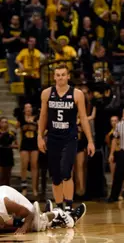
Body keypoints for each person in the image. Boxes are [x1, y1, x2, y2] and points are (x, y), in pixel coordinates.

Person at [37, 64, 93, 225]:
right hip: (53, 138)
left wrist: (90, 140)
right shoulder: (47, 93)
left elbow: (83, 118)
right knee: (55, 176)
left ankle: (68, 207)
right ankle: (59, 208)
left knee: (66, 171)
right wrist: (39, 137)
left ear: (68, 76)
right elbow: (43, 116)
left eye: (63, 74)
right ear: (54, 77)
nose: (60, 77)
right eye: (58, 75)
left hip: (70, 138)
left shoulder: (77, 94)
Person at [17, 103, 39, 197]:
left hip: (34, 144)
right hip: (25, 144)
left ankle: (34, 188)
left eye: (29, 107)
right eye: (26, 107)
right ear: (24, 110)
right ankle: (24, 188)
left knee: (34, 165)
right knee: (24, 165)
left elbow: (41, 128)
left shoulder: (36, 118)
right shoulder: (21, 119)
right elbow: (16, 128)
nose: (28, 109)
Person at [105, 116, 122, 200]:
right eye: (112, 121)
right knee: (113, 175)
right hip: (114, 154)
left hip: (122, 154)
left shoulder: (123, 131)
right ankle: (114, 194)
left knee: (120, 175)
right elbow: (109, 145)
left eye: (115, 120)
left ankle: (120, 194)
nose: (114, 122)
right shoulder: (109, 134)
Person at [0, 117, 17, 186]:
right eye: (2, 122)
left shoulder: (11, 133)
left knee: (7, 175)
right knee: (1, 176)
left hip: (8, 154)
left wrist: (11, 146)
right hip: (0, 154)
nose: (4, 124)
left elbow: (17, 145)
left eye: (6, 122)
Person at [74, 118, 87, 197]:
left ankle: (81, 188)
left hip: (80, 145)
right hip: (70, 145)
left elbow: (85, 133)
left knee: (80, 166)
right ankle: (72, 188)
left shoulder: (82, 121)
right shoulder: (69, 119)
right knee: (71, 168)